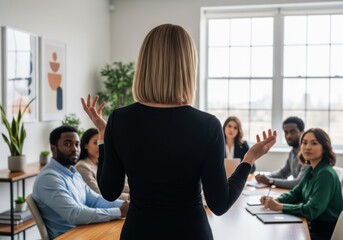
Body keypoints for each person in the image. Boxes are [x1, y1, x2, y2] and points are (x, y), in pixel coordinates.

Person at [81, 24, 277, 240]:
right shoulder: (208, 125)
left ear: (145, 64)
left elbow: (109, 192)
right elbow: (219, 204)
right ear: (189, 67)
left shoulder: (119, 120)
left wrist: (103, 135)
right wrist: (249, 158)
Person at [32, 126, 129, 239]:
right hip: (69, 236)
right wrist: (119, 212)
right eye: (68, 144)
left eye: (77, 144)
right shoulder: (49, 178)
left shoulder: (73, 172)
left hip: (83, 231)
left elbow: (95, 200)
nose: (74, 149)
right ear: (53, 148)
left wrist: (124, 205)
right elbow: (75, 214)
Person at [260, 128, 343, 240]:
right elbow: (296, 193)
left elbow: (311, 210)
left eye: (314, 143)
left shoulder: (325, 174)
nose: (307, 147)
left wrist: (280, 206)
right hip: (311, 225)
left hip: (322, 232)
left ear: (324, 148)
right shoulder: (311, 169)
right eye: (304, 142)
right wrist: (277, 199)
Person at [76, 128, 130, 200]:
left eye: (101, 142)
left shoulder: (100, 164)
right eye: (95, 143)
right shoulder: (82, 166)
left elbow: (115, 185)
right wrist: (130, 197)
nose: (99, 146)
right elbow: (98, 192)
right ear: (85, 145)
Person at [255, 116, 309, 188]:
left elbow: (298, 183)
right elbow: (283, 173)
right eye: (286, 132)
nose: (288, 136)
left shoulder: (308, 154)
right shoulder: (292, 152)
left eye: (292, 132)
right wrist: (264, 177)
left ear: (303, 132)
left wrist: (271, 181)